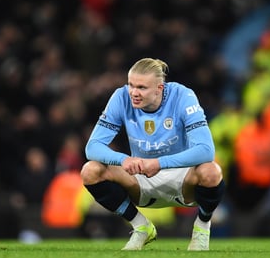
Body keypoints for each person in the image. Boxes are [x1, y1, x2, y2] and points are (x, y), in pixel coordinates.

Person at [80, 58, 225, 250]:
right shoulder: (121, 97)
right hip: (141, 180)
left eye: (141, 87)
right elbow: (93, 147)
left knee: (212, 171)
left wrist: (159, 163)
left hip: (183, 178)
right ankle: (141, 227)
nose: (134, 92)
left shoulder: (182, 96)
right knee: (90, 171)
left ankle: (202, 227)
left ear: (159, 88)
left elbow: (206, 150)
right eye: (131, 85)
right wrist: (124, 159)